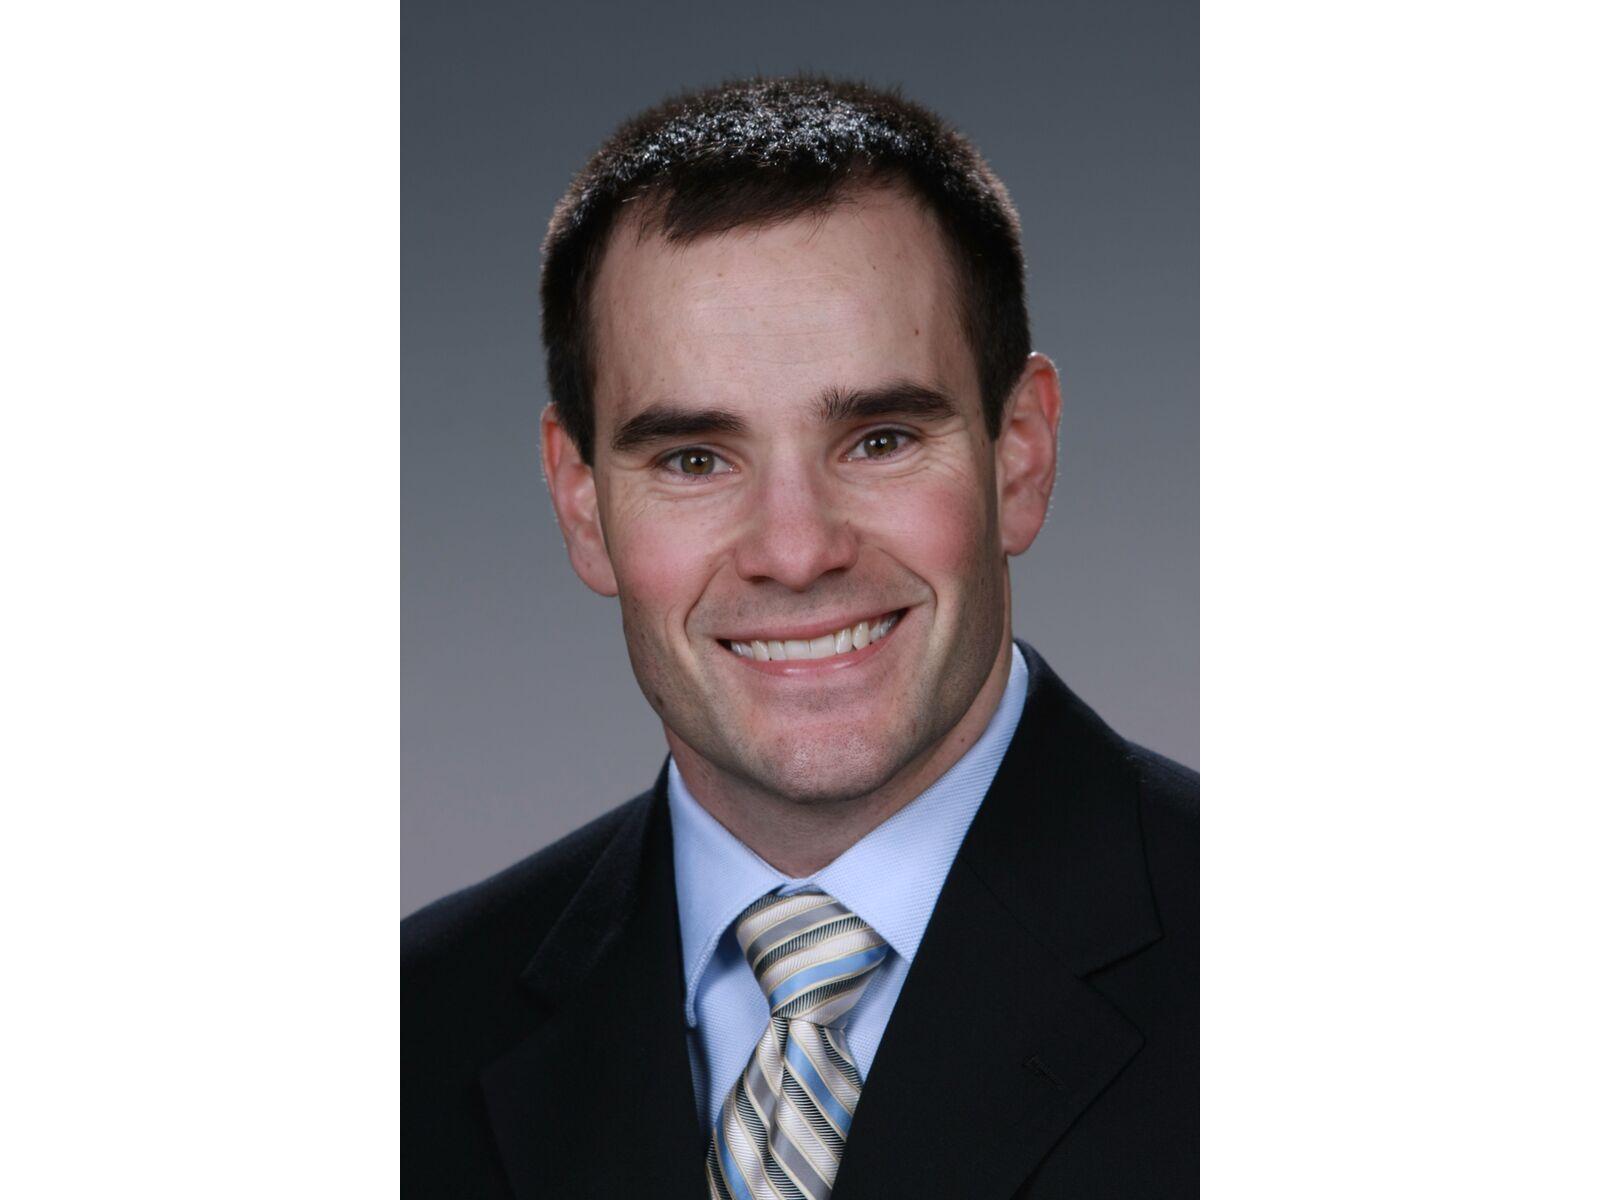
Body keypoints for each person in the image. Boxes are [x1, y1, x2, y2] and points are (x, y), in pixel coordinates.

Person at [403, 76, 1197, 1199]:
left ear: (1019, 454)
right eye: (693, 459)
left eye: (880, 439)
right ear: (580, 505)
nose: (795, 549)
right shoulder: (411, 1031)